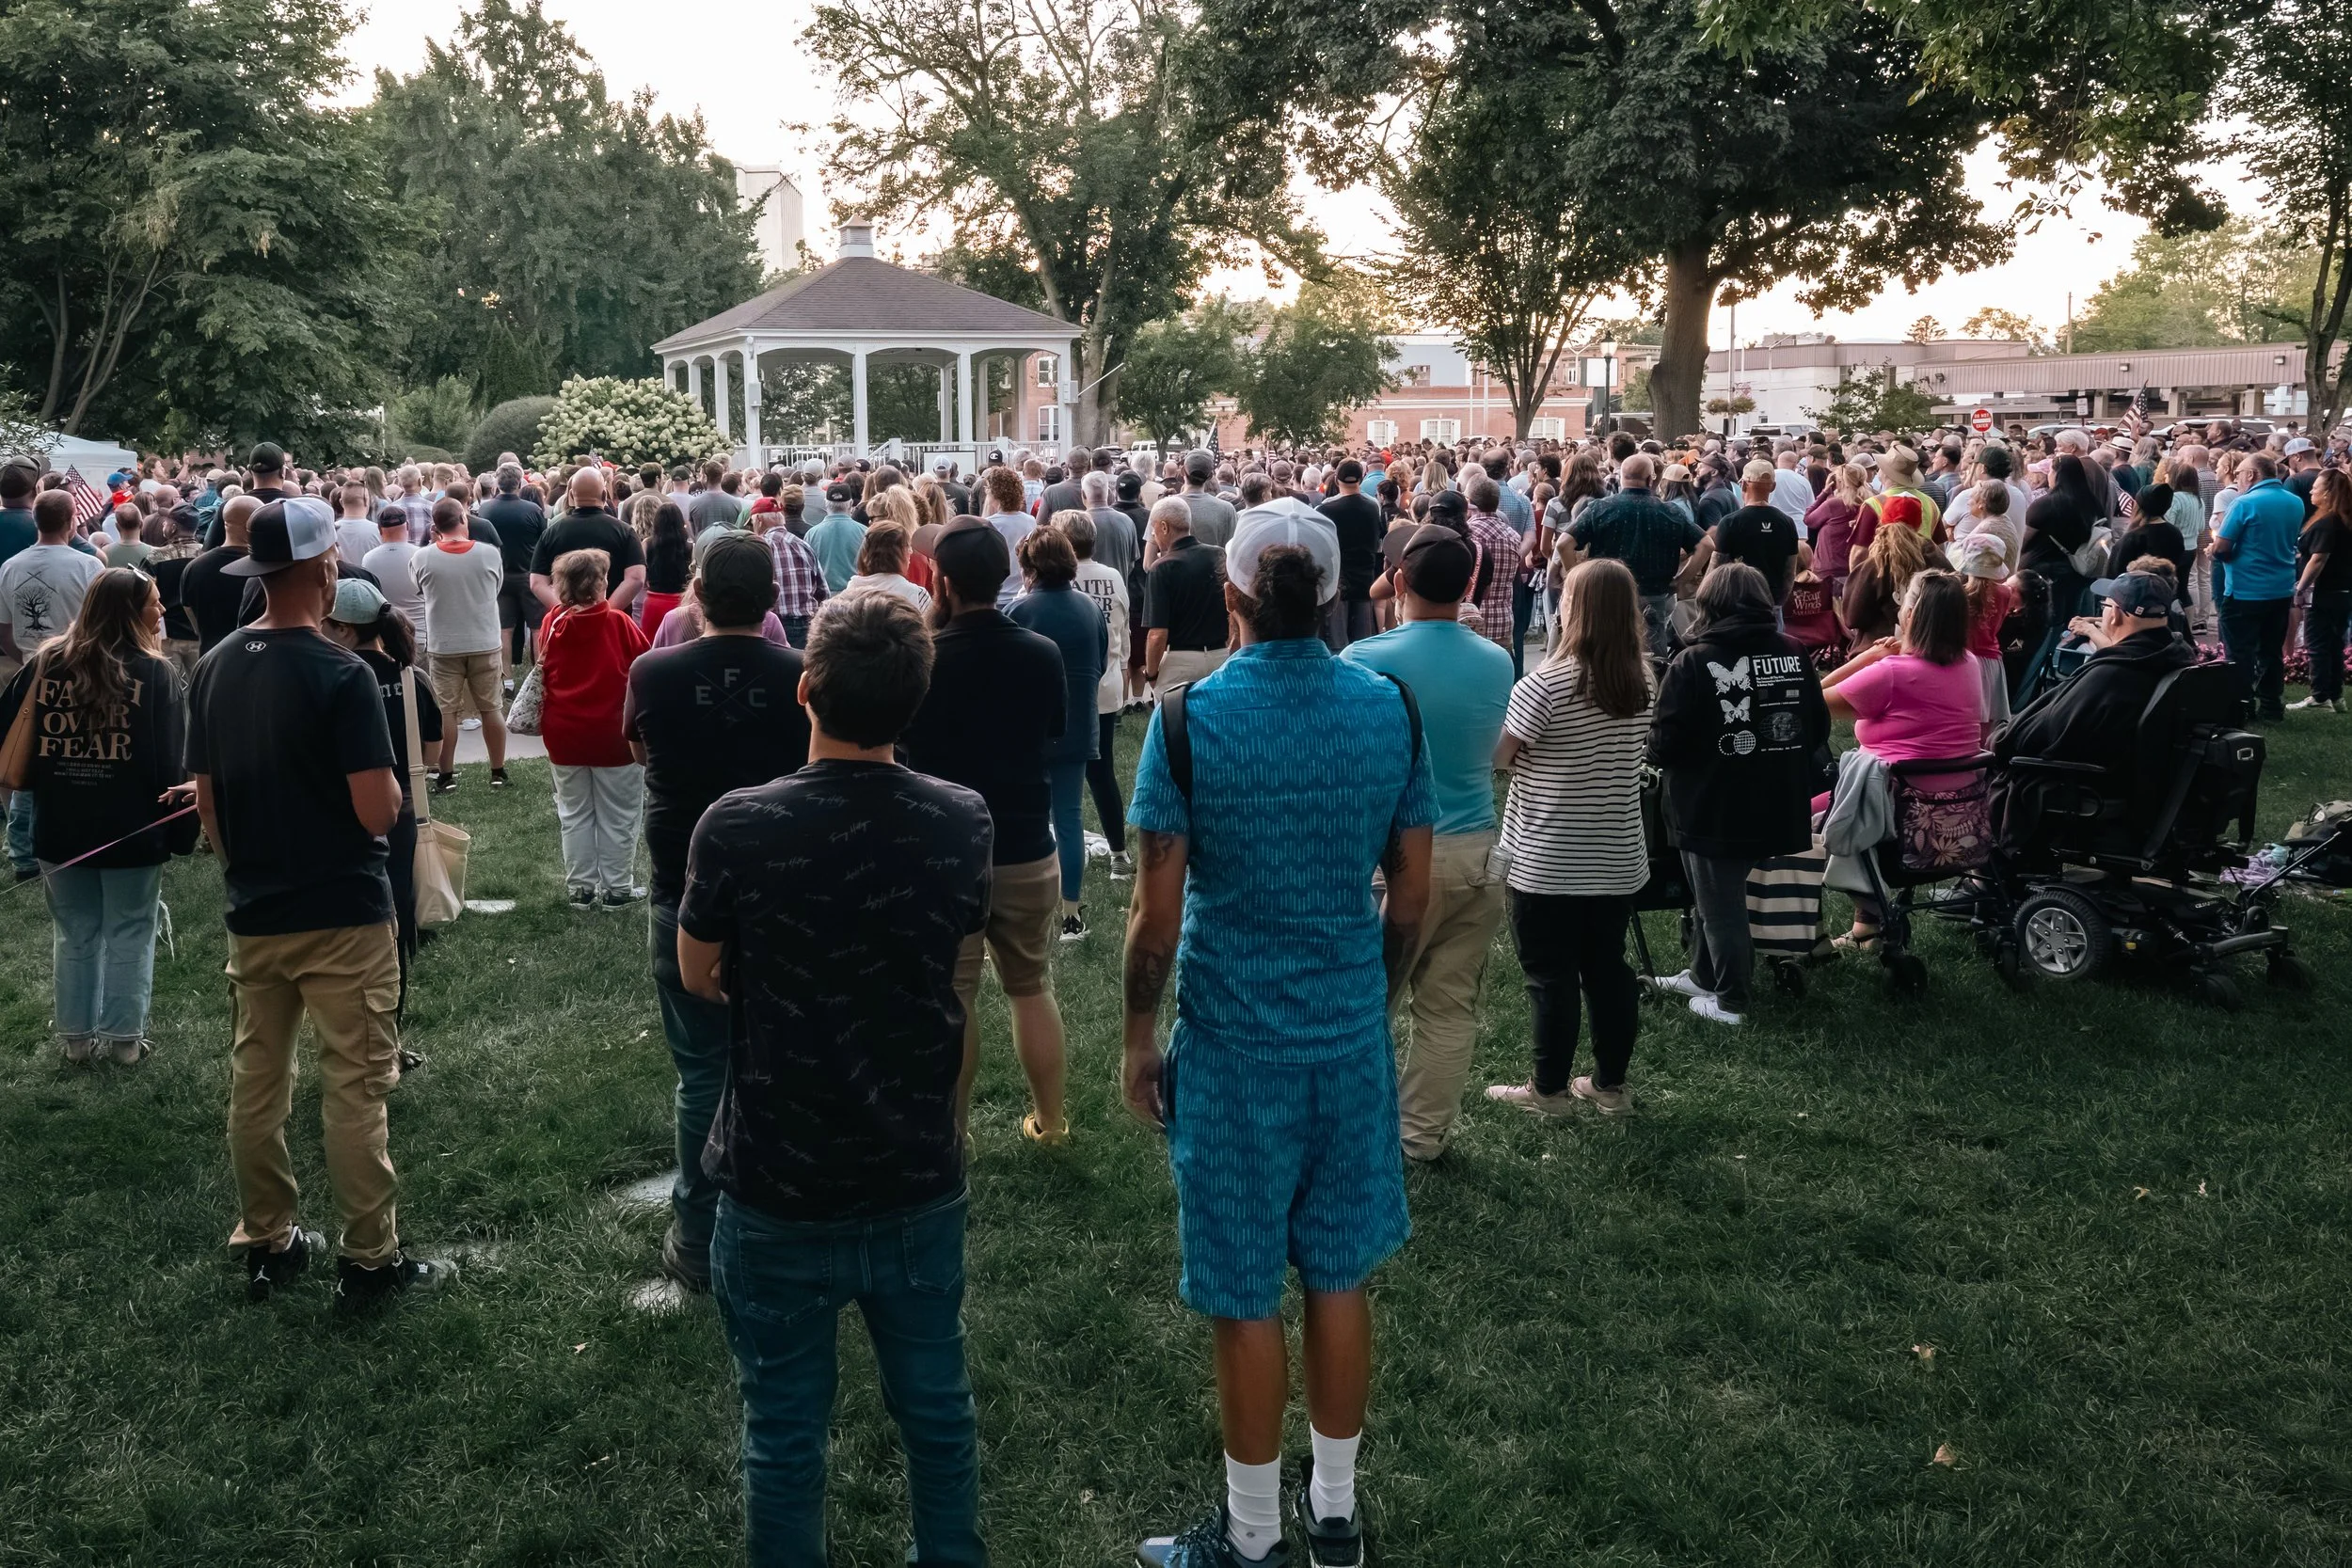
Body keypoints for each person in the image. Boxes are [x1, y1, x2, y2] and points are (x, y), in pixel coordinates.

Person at [1121, 522, 1436, 1568]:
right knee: (1339, 1274)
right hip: (1344, 1035)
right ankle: (1334, 1516)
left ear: (1231, 592)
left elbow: (1155, 924)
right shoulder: (1388, 707)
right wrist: (1376, 993)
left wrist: (1135, 1035)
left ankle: (1252, 1531)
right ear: (1336, 588)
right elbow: (1411, 897)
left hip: (1232, 1040)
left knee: (1243, 1284)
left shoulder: (1186, 721)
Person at [677, 593, 992, 1568]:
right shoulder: (960, 819)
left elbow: (699, 971)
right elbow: (954, 959)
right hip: (911, 1164)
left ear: (804, 689)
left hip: (779, 1175)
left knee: (782, 1433)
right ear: (916, 697)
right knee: (937, 1414)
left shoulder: (737, 826)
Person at [183, 499, 450, 1309]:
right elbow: (378, 810)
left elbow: (207, 802)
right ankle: (369, 1259)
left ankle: (267, 1237)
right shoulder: (343, 673)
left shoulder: (217, 663)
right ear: (326, 567)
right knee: (356, 1086)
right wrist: (397, 790)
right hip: (343, 909)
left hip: (255, 909)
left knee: (256, 1082)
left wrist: (242, 868)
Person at [625, 534, 811, 1293]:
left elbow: (637, 749)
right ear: (773, 596)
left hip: (685, 886)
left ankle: (698, 1236)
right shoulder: (800, 674)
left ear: (696, 590)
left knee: (702, 1071)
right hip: (784, 890)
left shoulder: (654, 669)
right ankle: (787, 1223)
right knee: (785, 1062)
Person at [1343, 524, 1513, 1160]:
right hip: (1475, 848)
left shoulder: (1362, 660)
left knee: (1365, 1004)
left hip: (1394, 858)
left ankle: (1348, 1130)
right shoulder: (1497, 659)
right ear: (1470, 583)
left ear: (1401, 581)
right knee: (1448, 1006)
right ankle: (1421, 1137)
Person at [900, 517, 1073, 1145]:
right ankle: (1051, 1121)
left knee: (956, 997)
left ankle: (954, 1133)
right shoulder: (1040, 652)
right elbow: (1052, 732)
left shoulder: (924, 659)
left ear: (941, 580)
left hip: (946, 849)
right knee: (1031, 986)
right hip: (1027, 839)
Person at [1485, 558, 1652, 1117]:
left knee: (1549, 974)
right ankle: (1610, 1086)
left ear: (1571, 610)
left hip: (1547, 855)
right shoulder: (1643, 679)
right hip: (1616, 850)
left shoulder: (1545, 685)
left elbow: (1500, 757)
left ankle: (1548, 1089)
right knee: (1608, 970)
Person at [7, 568, 185, 1064]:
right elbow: (171, 760)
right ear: (129, 611)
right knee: (130, 928)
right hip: (134, 826)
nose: (162, 610)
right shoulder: (154, 672)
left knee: (75, 931)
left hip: (60, 822)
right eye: (154, 601)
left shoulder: (47, 663)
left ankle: (76, 1040)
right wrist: (179, 830)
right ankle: (124, 1041)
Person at [1645, 562, 1830, 1027]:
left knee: (1719, 904)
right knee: (1713, 896)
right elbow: (1819, 727)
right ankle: (1703, 975)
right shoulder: (1792, 651)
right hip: (1777, 799)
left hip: (1711, 804)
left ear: (1709, 605)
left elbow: (1664, 743)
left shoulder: (1692, 661)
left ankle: (1730, 1000)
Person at [1818, 572, 1985, 945]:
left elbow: (1808, 700)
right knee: (1858, 792)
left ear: (1910, 614)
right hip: (1960, 812)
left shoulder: (1891, 672)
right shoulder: (1970, 663)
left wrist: (1868, 657)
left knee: (1804, 816)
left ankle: (1806, 932)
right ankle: (1867, 928)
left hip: (1899, 814)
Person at [1992, 569, 2193, 849]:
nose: (2104, 613)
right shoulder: (2177, 660)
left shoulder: (2116, 673)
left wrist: (1998, 738)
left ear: (2117, 615)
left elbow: (2032, 736)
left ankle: (1987, 879)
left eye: (2106, 606)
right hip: (2144, 784)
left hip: (2092, 782)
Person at [319, 580, 435, 1019]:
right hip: (402, 805)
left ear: (346, 630)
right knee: (396, 904)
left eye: (325, 623)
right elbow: (432, 743)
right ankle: (393, 1010)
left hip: (344, 806)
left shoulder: (334, 679)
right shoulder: (410, 675)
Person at [1009, 523, 1108, 941]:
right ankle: (1071, 913)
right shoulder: (1089, 608)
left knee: (1022, 819)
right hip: (1077, 724)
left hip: (1026, 731)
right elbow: (1101, 664)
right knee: (1068, 818)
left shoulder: (1020, 611)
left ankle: (1020, 910)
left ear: (1030, 567)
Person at [538, 548, 651, 908]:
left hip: (564, 733)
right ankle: (618, 888)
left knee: (573, 812)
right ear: (601, 583)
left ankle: (581, 889)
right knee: (619, 813)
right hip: (612, 734)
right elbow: (645, 666)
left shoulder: (552, 622)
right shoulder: (617, 623)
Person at [408, 497, 510, 792]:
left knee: (446, 712)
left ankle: (446, 774)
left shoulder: (422, 557)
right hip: (484, 640)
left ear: (435, 527)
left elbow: (419, 590)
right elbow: (496, 587)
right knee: (491, 708)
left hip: (444, 643)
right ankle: (498, 771)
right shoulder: (489, 554)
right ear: (463, 519)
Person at [1565, 452, 1703, 657]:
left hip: (1606, 592)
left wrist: (1577, 578)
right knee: (1653, 658)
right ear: (1651, 479)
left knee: (1606, 654)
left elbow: (1564, 544)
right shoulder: (1670, 512)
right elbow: (1706, 544)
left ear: (1621, 477)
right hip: (1654, 595)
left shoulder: (1600, 508)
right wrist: (1682, 580)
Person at [1065, 511, 1135, 878]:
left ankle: (1065, 845)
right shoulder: (1112, 577)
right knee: (1102, 772)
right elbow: (1122, 625)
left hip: (1067, 689)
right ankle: (1119, 854)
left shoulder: (1057, 582)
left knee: (1062, 772)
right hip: (1106, 686)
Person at [2211, 452, 2302, 721]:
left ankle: (2241, 705)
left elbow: (2223, 546)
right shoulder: (2295, 502)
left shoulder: (2244, 503)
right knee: (2271, 650)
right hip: (2281, 587)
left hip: (2244, 589)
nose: (2237, 478)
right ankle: (2272, 705)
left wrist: (2215, 551)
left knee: (2239, 651)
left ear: (2251, 475)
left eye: (2239, 473)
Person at [531, 467, 646, 614]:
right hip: (613, 625)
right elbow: (636, 578)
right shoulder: (625, 532)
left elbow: (537, 583)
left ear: (571, 495)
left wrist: (567, 612)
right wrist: (605, 612)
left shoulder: (551, 533)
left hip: (567, 627)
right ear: (604, 495)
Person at [1144, 496, 1231, 689]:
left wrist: (1151, 673)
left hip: (1180, 661)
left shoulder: (1162, 567)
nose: (1153, 533)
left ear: (1164, 527)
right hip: (1220, 655)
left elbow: (1157, 634)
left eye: (1154, 527)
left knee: (1173, 718)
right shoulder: (1219, 555)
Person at [2291, 469, 2352, 712]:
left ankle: (2319, 696)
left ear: (2328, 493)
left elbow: (2318, 559)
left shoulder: (2327, 522)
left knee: (2317, 644)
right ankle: (2336, 696)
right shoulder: (2345, 520)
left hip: (2324, 592)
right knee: (2335, 644)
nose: (2310, 491)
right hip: (2344, 591)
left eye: (2315, 487)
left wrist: (2300, 587)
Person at [1703, 460, 1804, 601]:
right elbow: (1790, 571)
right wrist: (1779, 602)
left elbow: (1715, 567)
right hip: (1771, 602)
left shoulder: (1730, 522)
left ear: (1743, 484)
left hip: (1738, 601)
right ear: (1773, 487)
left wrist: (1704, 597)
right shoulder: (1787, 523)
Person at [482, 464, 548, 673]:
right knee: (537, 628)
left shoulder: (486, 509)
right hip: (529, 575)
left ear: (497, 483)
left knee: (504, 629)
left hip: (499, 575)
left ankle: (506, 678)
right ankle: (539, 677)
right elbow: (543, 542)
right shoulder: (533, 510)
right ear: (519, 483)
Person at [182, 494, 260, 654]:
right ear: (253, 524)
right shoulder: (264, 569)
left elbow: (195, 624)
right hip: (254, 658)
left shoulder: (194, 567)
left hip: (210, 657)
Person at [1319, 458, 1385, 648]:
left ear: (1336, 479)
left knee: (1337, 643)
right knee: (1362, 643)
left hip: (1336, 582)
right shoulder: (1373, 506)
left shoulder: (1325, 509)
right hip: (1365, 579)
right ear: (1362, 478)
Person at [1841, 508, 1928, 646]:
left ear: (1882, 524)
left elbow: (1852, 619)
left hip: (1879, 647)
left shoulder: (1873, 565)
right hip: (1926, 645)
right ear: (1919, 525)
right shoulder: (1934, 558)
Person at [843, 517, 933, 612]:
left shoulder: (849, 594)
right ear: (897, 554)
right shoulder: (917, 595)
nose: (910, 552)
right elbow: (930, 627)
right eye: (907, 546)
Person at [640, 501, 695, 635]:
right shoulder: (690, 547)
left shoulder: (647, 544)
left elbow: (643, 578)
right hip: (681, 604)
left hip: (654, 603)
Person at [805, 483, 866, 595]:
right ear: (851, 504)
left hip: (825, 598)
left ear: (825, 504)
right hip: (855, 596)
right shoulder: (864, 532)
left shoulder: (811, 534)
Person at [1181, 449, 1240, 547]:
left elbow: (1150, 556)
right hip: (1217, 562)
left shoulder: (1165, 506)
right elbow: (1233, 549)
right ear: (1210, 476)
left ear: (1183, 471)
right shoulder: (1227, 509)